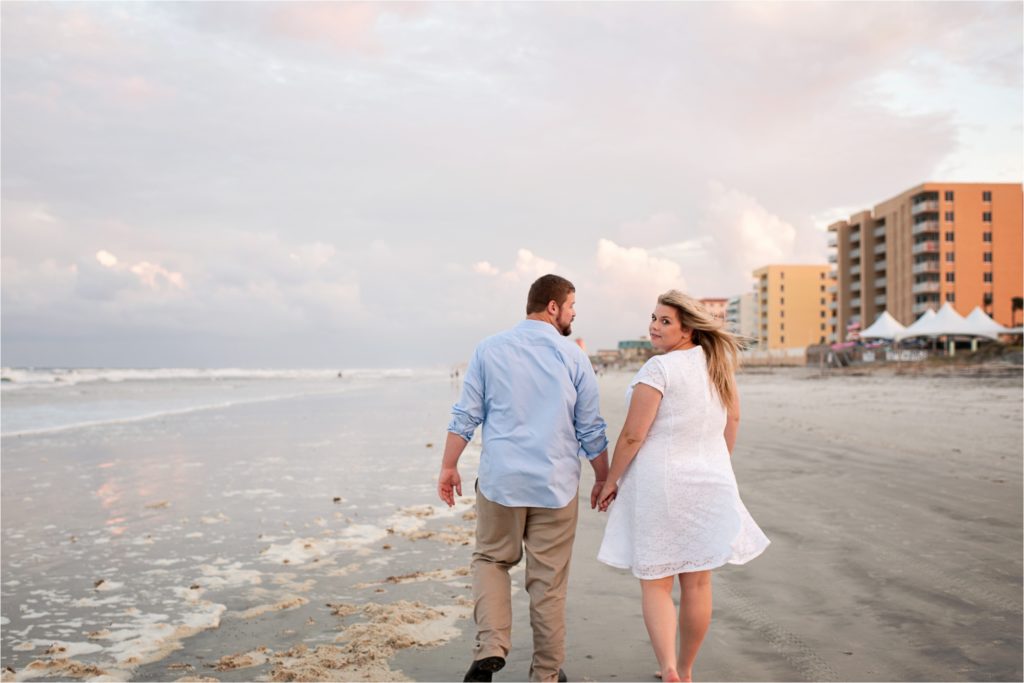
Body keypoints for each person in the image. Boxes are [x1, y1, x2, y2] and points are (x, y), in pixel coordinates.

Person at [438, 274, 609, 683]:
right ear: (553, 306)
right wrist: (603, 477)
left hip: (501, 482)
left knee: (491, 560)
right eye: (571, 307)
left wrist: (448, 466)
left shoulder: (489, 349)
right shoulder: (573, 357)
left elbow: (466, 416)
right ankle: (546, 674)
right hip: (555, 485)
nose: (572, 315)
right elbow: (590, 429)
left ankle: (491, 647)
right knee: (548, 582)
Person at [596, 290, 769, 683]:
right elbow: (734, 418)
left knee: (657, 583)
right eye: (653, 318)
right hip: (709, 481)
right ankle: (687, 670)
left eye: (665, 321)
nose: (654, 327)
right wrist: (718, 463)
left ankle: (669, 668)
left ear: (688, 329)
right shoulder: (717, 364)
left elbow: (632, 436)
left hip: (661, 484)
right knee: (698, 581)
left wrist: (611, 479)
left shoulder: (659, 370)